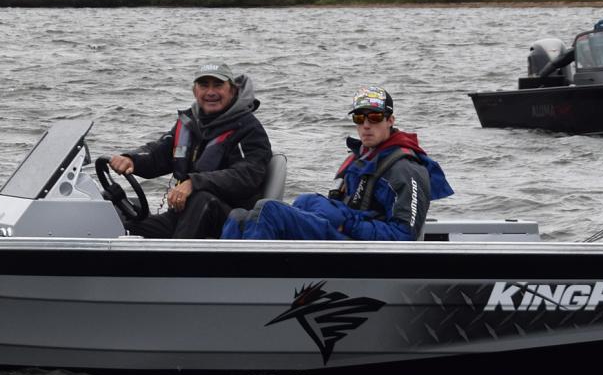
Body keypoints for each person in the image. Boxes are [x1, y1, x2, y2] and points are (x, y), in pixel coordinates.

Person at [222, 88, 452, 242]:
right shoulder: (361, 158)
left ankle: (256, 285)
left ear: (390, 121)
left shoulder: (407, 169)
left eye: (374, 118)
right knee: (239, 216)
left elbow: (404, 237)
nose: (366, 126)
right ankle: (224, 284)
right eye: (359, 119)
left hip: (362, 250)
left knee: (270, 210)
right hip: (344, 236)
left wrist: (347, 223)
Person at [106, 63, 272, 239]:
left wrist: (194, 183)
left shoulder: (249, 129)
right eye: (204, 85)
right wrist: (131, 160)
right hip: (183, 214)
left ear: (232, 90)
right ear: (195, 91)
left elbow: (247, 176)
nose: (210, 92)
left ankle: (179, 263)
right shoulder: (189, 123)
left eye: (217, 85)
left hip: (231, 220)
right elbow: (158, 156)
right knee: (119, 219)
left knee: (201, 200)